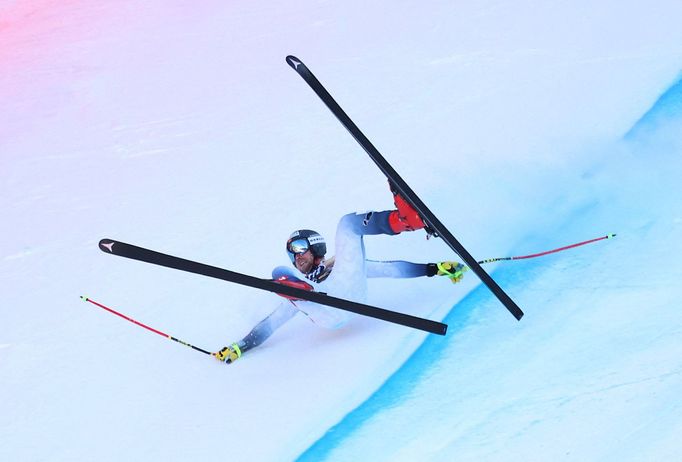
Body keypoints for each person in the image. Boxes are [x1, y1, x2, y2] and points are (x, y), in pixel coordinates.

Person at [214, 185, 467, 364]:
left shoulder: (339, 265)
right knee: (279, 274)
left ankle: (407, 220)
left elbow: (390, 268)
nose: (297, 256)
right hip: (325, 312)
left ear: (315, 247)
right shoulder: (295, 281)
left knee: (347, 224)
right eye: (292, 252)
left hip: (347, 290)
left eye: (301, 248)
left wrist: (434, 269)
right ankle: (306, 295)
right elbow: (270, 325)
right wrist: (240, 347)